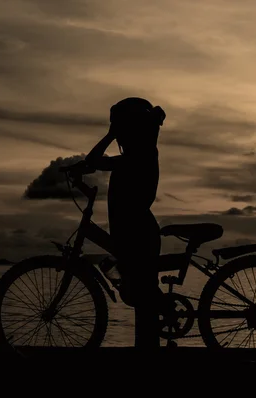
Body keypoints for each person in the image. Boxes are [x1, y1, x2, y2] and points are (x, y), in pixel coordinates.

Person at [84, 97, 166, 349]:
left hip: (138, 234)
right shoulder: (133, 157)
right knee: (141, 298)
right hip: (134, 232)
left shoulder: (139, 156)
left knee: (144, 302)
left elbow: (93, 160)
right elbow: (93, 162)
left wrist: (110, 134)